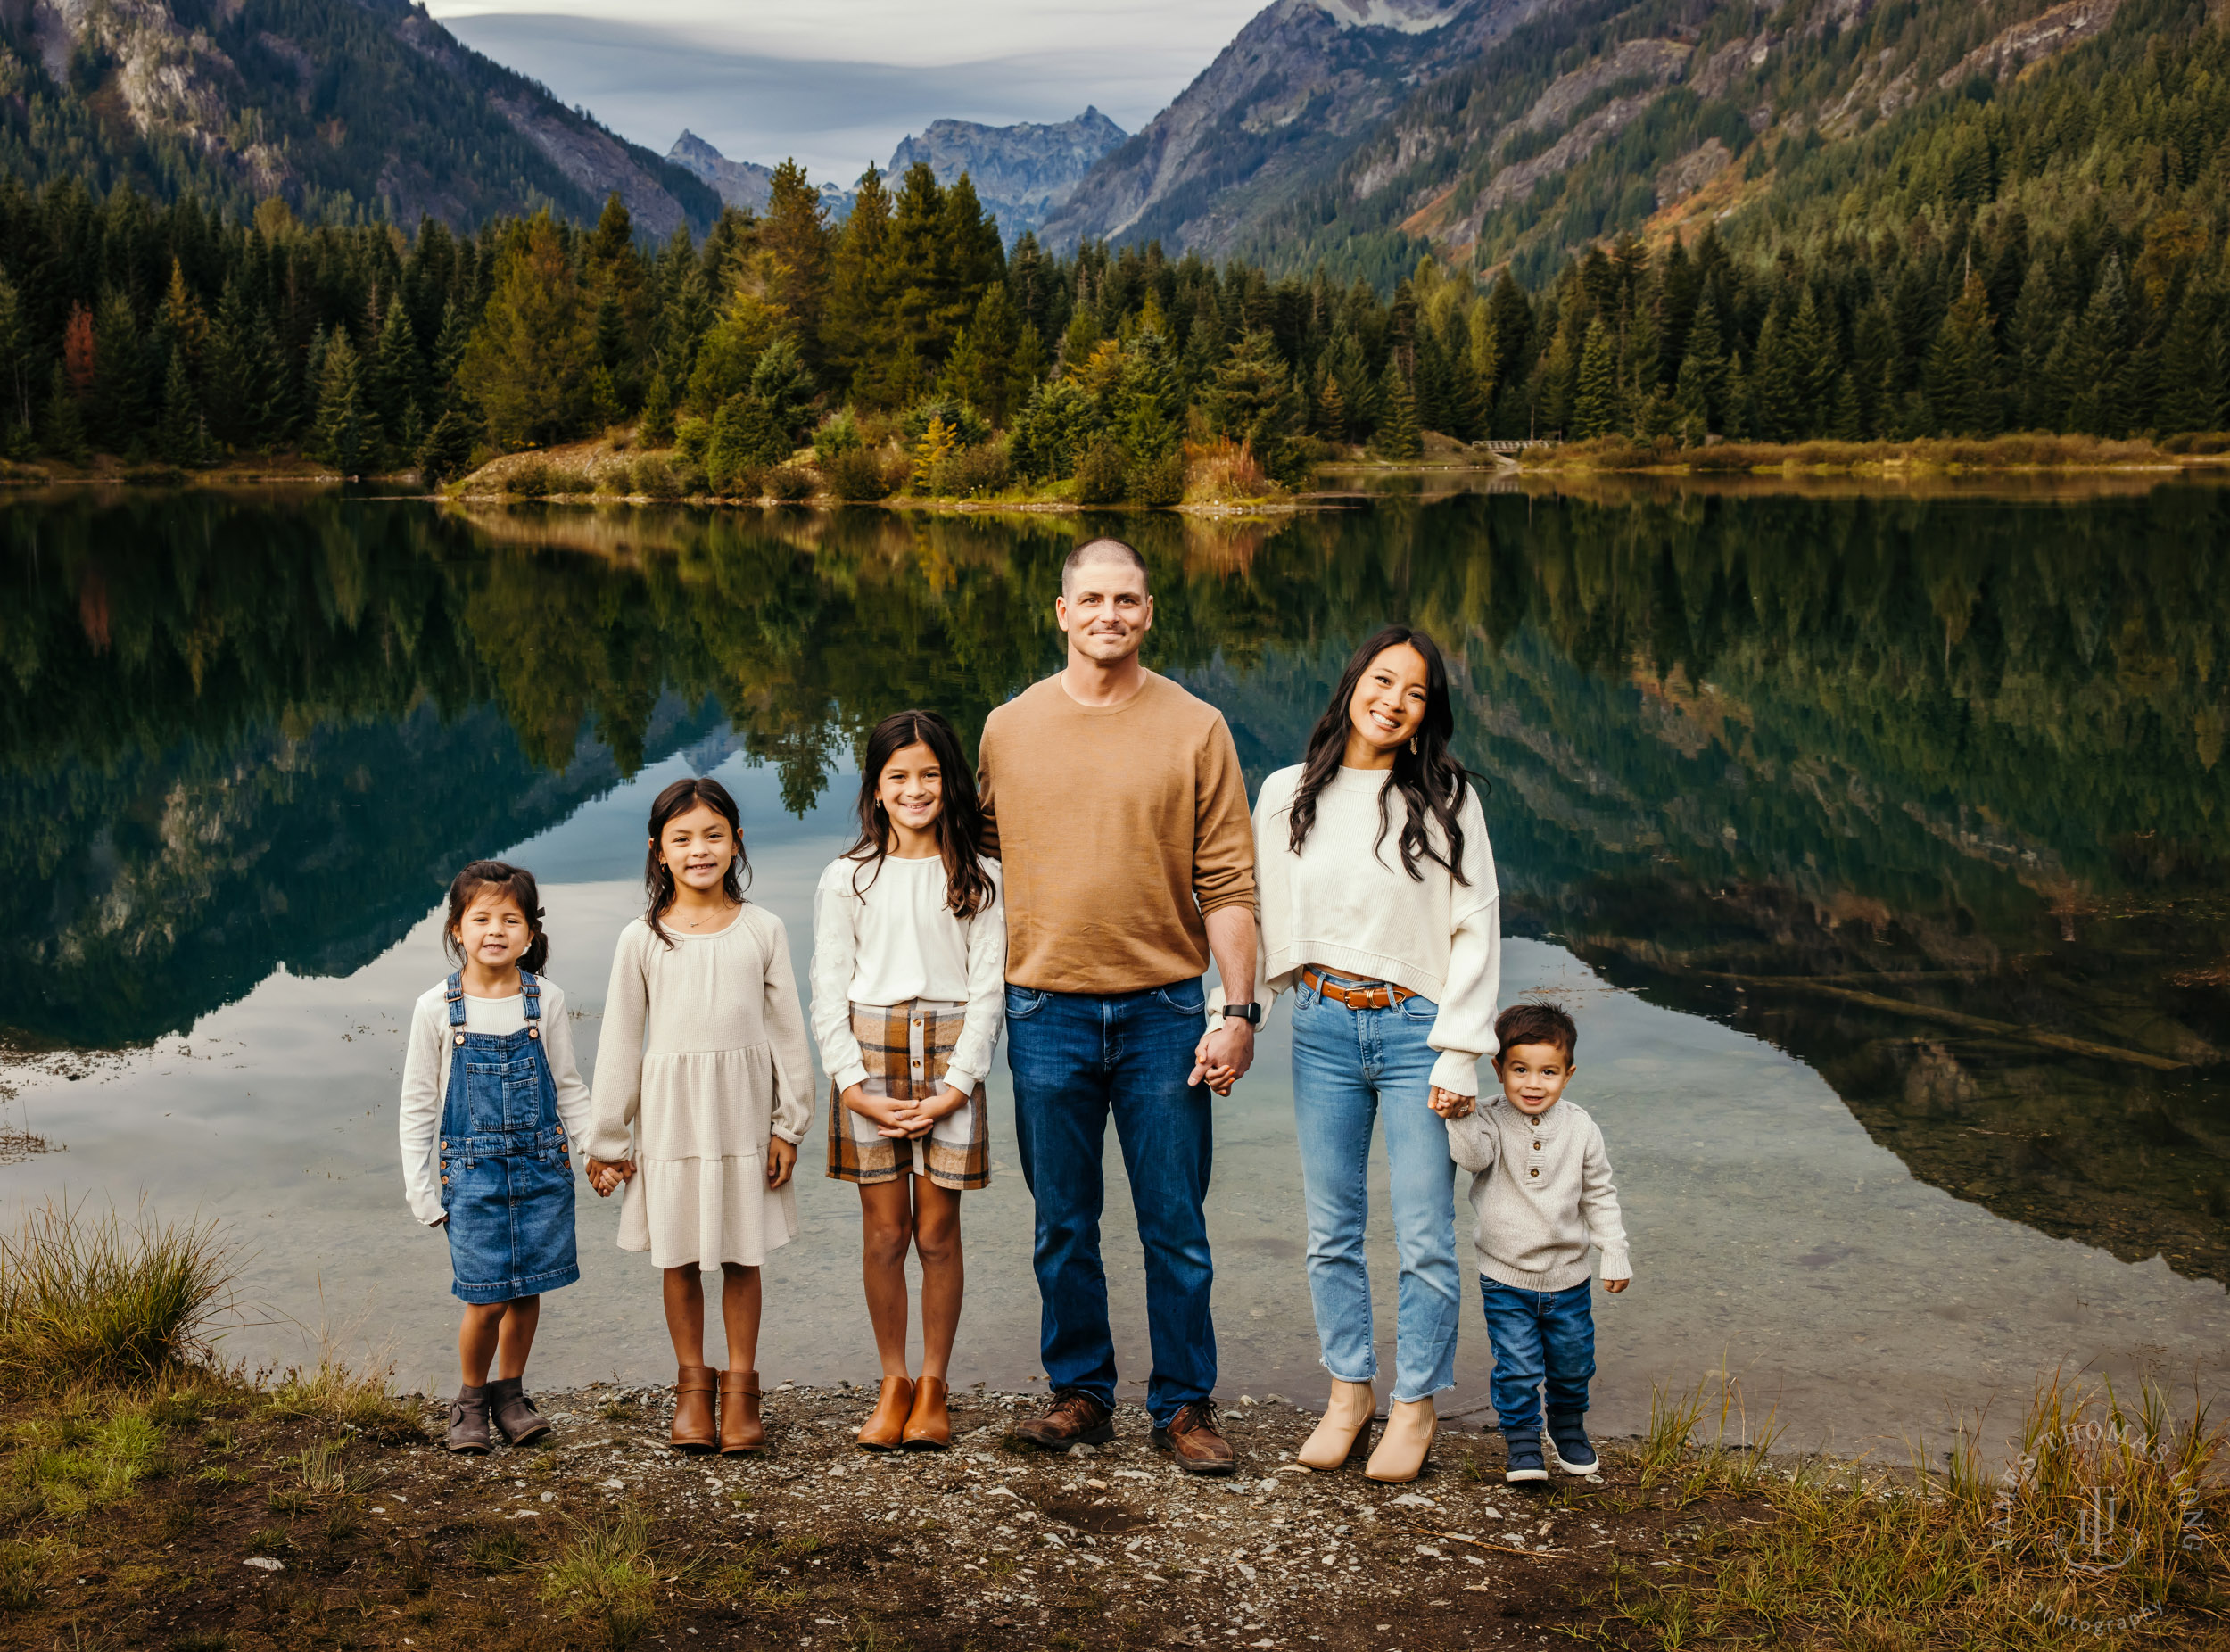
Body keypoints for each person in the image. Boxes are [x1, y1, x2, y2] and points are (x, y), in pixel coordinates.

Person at [976, 536, 1259, 1475]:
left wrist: (1240, 1010)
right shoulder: (1007, 729)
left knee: (1174, 1221)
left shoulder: (1197, 726)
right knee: (1062, 1220)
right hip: (1042, 1010)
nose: (1110, 615)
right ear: (1060, 611)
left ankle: (1182, 1405)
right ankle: (1080, 1393)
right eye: (1091, 599)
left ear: (1148, 610)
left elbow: (1225, 880)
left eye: (1127, 600)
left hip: (1165, 1014)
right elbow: (971, 872)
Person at [1221, 625, 1500, 1483]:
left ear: (1424, 718)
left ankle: (1414, 1406)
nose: (1394, 701)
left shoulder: (1448, 796)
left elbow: (1477, 924)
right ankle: (1350, 1394)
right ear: (1352, 686)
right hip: (1323, 1026)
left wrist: (1460, 1053)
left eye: (1414, 693)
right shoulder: (1284, 792)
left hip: (1419, 1032)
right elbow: (1261, 911)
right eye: (1383, 681)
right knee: (1331, 1229)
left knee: (1424, 1234)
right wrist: (1237, 1018)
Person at [587, 776, 814, 1455]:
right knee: (677, 1257)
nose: (699, 850)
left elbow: (788, 1035)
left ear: (736, 842)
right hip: (671, 1119)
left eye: (713, 835)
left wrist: (788, 1124)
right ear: (658, 850)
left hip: (743, 1116)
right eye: (682, 839)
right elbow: (622, 1041)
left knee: (744, 1257)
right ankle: (693, 1389)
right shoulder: (642, 938)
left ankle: (740, 1391)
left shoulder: (765, 928)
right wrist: (607, 1138)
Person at [812, 709, 1005, 1451]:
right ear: (877, 787)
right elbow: (827, 988)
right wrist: (852, 1084)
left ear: (949, 781)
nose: (916, 789)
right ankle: (892, 1380)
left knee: (937, 1234)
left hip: (951, 1053)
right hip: (872, 1051)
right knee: (885, 1232)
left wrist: (958, 1086)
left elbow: (989, 993)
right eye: (899, 776)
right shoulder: (847, 878)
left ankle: (934, 1385)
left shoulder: (981, 877)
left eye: (929, 774)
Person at [399, 859, 619, 1454]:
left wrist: (595, 1147)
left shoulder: (543, 1000)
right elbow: (419, 1106)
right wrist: (421, 1189)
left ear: (529, 933)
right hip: (469, 1177)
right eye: (481, 918)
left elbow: (567, 1085)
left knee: (527, 1291)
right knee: (485, 1296)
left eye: (510, 919)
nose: (495, 930)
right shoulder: (435, 1008)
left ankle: (511, 1395)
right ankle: (470, 1400)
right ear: (456, 929)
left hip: (541, 1169)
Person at [1436, 1000, 1631, 1483]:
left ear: (1568, 1074)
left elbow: (1599, 1193)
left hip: (1569, 1280)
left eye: (1548, 1072)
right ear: (1498, 1068)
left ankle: (1567, 1429)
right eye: (1520, 1069)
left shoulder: (1581, 1126)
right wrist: (1459, 1114)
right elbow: (1473, 1159)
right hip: (1504, 1278)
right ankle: (1522, 1441)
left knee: (1572, 1364)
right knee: (1518, 1367)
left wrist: (1615, 1251)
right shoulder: (1489, 1119)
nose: (1533, 1083)